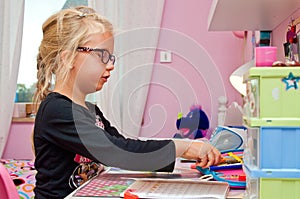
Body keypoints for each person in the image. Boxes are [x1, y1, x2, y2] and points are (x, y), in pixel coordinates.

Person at [32, 6, 221, 199]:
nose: (111, 65)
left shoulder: (90, 110)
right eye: (102, 55)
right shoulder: (56, 110)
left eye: (111, 56)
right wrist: (184, 147)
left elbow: (122, 144)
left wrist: (178, 149)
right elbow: (117, 152)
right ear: (68, 58)